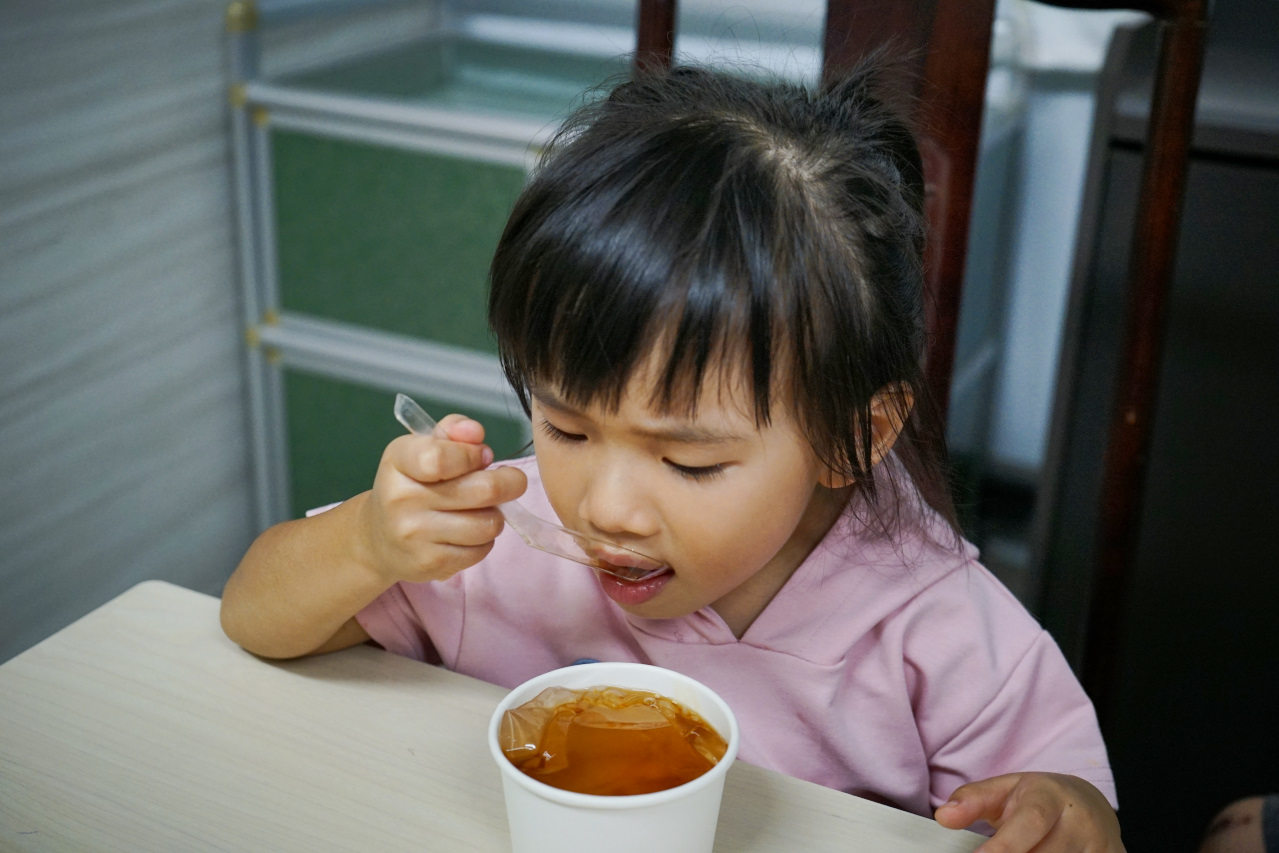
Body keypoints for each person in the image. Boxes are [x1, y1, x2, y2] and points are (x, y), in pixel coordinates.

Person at [221, 61, 1123, 852]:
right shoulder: (500, 536)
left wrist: (1068, 806)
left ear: (858, 433)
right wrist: (371, 541)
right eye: (567, 427)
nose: (605, 504)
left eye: (690, 463)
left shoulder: (941, 632)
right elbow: (253, 615)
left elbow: (1065, 802)